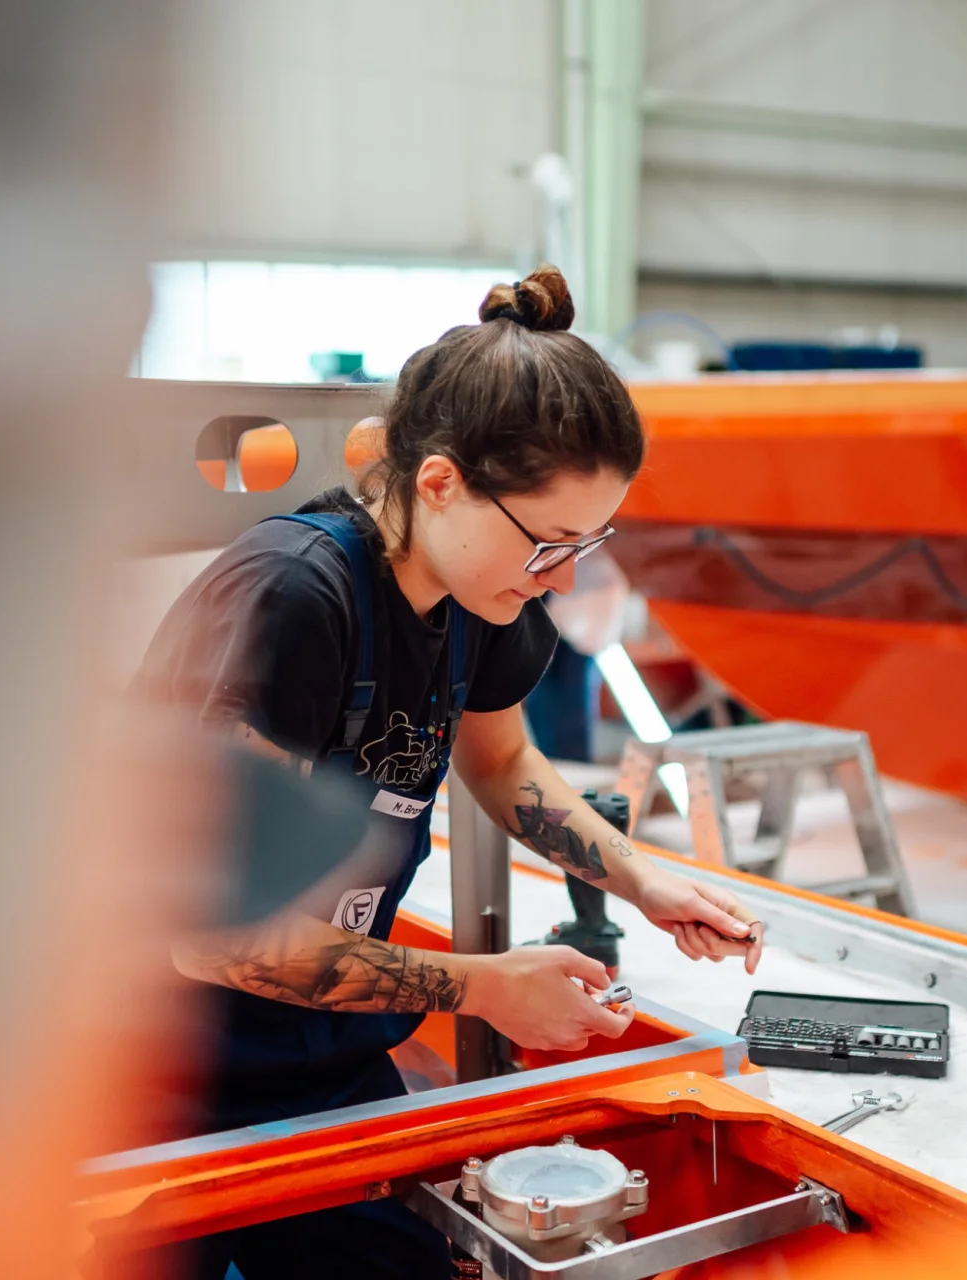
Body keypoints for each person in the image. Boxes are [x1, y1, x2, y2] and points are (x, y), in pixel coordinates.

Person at [135, 264, 762, 1280]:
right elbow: (220, 939)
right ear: (439, 481)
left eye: (585, 545)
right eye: (549, 541)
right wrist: (486, 988)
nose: (559, 575)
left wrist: (640, 878)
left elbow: (504, 756)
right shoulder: (295, 599)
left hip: (316, 1051)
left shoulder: (480, 591)